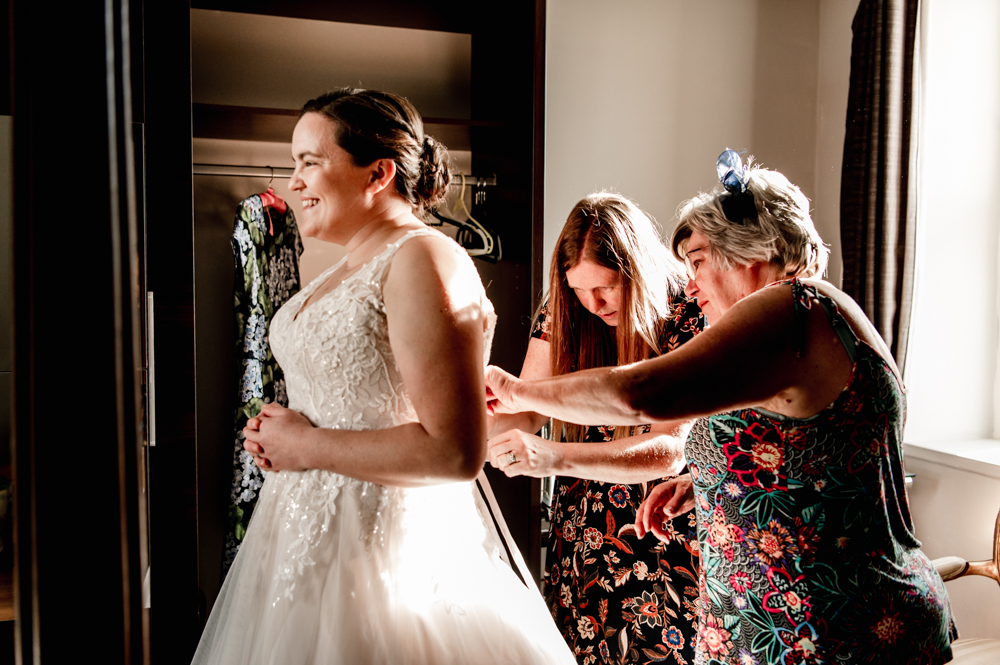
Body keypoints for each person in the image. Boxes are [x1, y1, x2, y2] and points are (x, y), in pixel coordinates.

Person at [484, 152, 956, 664]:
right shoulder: (805, 317)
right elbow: (807, 452)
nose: (689, 284)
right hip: (787, 626)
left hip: (835, 628)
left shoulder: (790, 310)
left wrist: (516, 391)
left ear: (749, 255)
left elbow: (640, 393)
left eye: (698, 262)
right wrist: (704, 481)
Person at [192, 88, 575, 665]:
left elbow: (454, 452)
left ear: (378, 173)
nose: (293, 181)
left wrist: (304, 445)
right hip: (304, 540)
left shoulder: (423, 259)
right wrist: (278, 432)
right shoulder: (348, 266)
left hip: (384, 553)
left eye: (309, 162)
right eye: (294, 163)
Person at [486, 192, 705, 665]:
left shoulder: (690, 307)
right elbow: (525, 408)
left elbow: (668, 448)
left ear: (636, 272)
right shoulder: (565, 308)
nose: (593, 303)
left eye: (606, 287)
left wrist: (551, 457)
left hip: (658, 524)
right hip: (583, 526)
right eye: (578, 290)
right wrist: (468, 422)